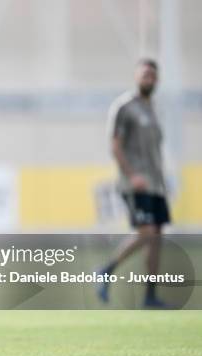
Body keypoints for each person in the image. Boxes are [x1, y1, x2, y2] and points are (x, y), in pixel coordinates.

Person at [98, 58, 170, 308]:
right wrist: (132, 174)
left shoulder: (152, 109)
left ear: (157, 80)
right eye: (144, 74)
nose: (147, 78)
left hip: (155, 185)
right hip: (135, 183)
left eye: (152, 75)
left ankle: (150, 296)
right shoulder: (126, 107)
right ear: (136, 77)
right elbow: (115, 145)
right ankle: (106, 270)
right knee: (146, 232)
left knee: (156, 236)